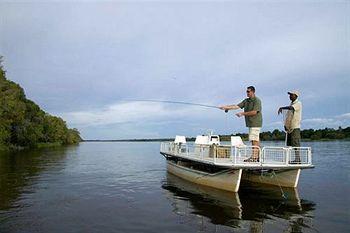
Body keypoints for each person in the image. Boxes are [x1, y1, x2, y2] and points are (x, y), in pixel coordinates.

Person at [219, 86, 262, 162]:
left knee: (254, 140)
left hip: (255, 123)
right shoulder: (246, 101)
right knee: (255, 140)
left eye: (248, 91)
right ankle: (257, 157)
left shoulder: (257, 100)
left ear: (253, 92)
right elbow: (236, 106)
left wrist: (242, 113)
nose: (247, 93)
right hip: (250, 123)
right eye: (246, 91)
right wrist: (226, 107)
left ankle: (254, 158)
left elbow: (254, 112)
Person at [278, 90, 302, 163]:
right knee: (290, 144)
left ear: (296, 96)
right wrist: (286, 125)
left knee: (295, 144)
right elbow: (288, 117)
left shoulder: (298, 103)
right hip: (289, 128)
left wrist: (282, 108)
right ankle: (295, 159)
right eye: (290, 95)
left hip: (295, 127)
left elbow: (291, 108)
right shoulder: (291, 104)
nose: (290, 96)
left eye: (291, 95)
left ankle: (298, 159)